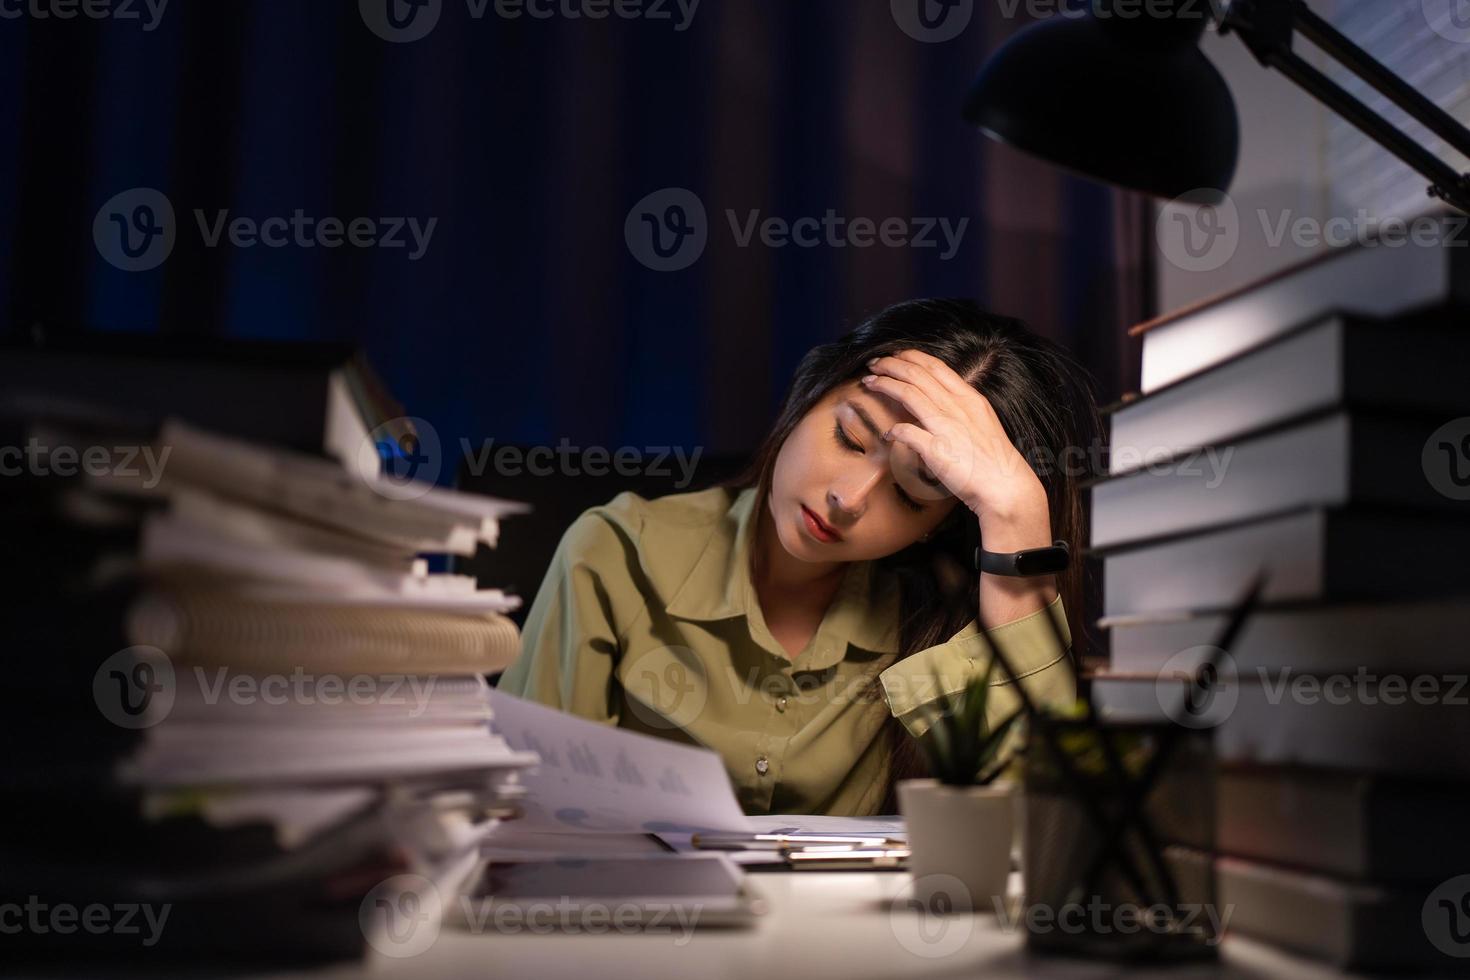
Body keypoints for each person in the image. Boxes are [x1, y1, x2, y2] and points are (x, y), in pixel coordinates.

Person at [495, 298, 1103, 816]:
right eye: (850, 437)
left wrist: (1017, 517)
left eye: (910, 494)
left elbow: (1034, 823)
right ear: (809, 394)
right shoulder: (614, 552)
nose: (847, 499)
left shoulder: (939, 615)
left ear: (939, 525)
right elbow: (526, 809)